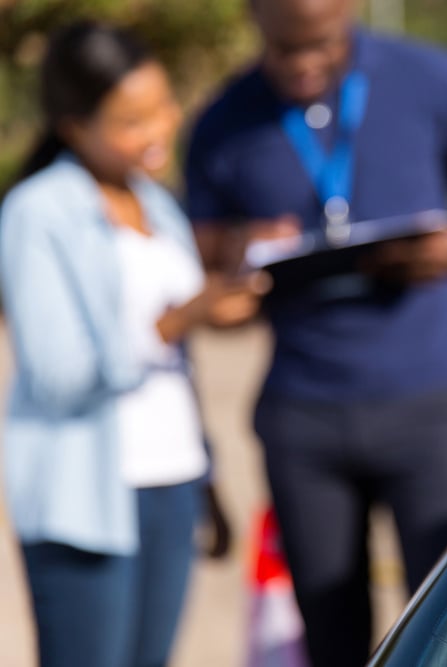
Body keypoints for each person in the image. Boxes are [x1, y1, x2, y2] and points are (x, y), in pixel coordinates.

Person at [183, 0, 447, 663]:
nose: (305, 63)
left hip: (430, 402)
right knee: (330, 634)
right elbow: (201, 262)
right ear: (252, 13)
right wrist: (239, 245)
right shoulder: (220, 121)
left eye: (320, 42)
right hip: (303, 417)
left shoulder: (432, 78)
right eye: (286, 46)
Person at [0, 21, 268, 667]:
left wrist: (206, 476)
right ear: (73, 126)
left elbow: (176, 358)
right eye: (131, 120)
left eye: (162, 107)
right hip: (86, 498)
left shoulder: (156, 201)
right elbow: (58, 373)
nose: (158, 131)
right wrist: (179, 317)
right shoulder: (37, 212)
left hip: (172, 481)